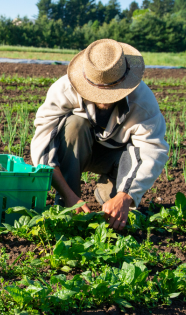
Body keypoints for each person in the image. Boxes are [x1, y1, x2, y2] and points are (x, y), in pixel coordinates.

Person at [30, 39, 169, 230]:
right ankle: (66, 203)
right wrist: (69, 196)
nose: (104, 98)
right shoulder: (64, 90)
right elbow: (43, 146)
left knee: (116, 212)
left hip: (116, 157)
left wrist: (125, 197)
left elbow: (151, 151)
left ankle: (109, 191)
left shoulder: (142, 102)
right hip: (78, 149)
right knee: (74, 125)